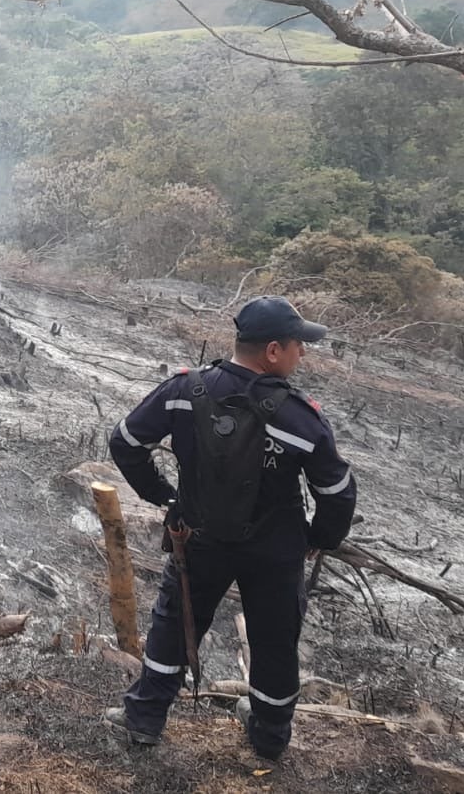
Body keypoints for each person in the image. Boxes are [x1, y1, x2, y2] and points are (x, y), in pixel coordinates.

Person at [102, 295, 357, 761]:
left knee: (175, 626)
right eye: (300, 345)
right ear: (274, 351)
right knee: (275, 643)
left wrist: (165, 496)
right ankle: (269, 737)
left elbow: (126, 442)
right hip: (276, 551)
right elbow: (337, 491)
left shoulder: (182, 391)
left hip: (197, 538)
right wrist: (319, 540)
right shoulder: (301, 418)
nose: (304, 354)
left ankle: (144, 721)